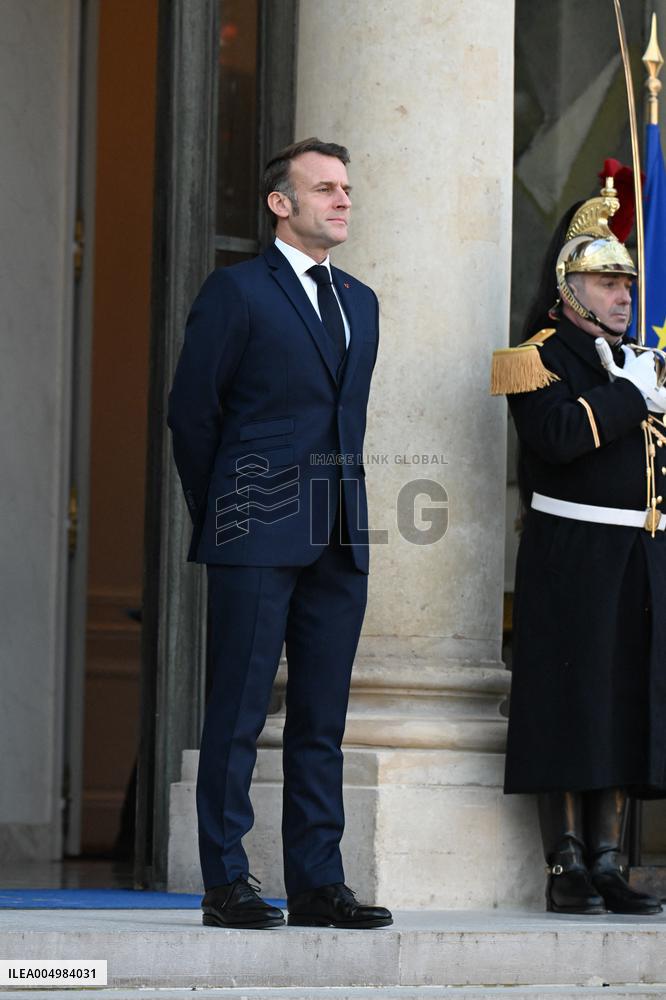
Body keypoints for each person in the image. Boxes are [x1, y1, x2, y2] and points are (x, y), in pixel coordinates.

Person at [168, 138, 392, 930]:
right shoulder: (236, 292)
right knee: (235, 715)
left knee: (321, 720)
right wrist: (226, 510)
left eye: (347, 190)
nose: (342, 201)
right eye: (324, 188)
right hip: (254, 531)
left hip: (339, 535)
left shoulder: (361, 301)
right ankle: (226, 881)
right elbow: (192, 413)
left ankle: (318, 884)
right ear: (280, 203)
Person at [491, 173, 665, 915]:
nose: (623, 293)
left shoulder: (643, 362)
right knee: (572, 700)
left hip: (640, 557)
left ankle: (607, 858)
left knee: (626, 702)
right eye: (606, 279)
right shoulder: (538, 356)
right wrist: (630, 396)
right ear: (569, 286)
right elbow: (558, 439)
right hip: (571, 555)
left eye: (627, 280)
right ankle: (564, 863)